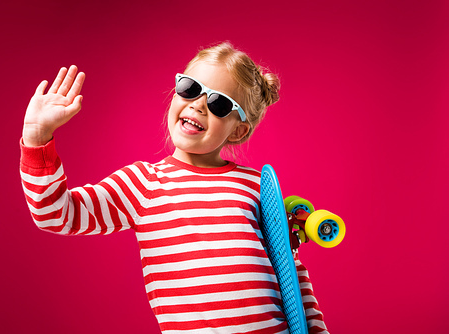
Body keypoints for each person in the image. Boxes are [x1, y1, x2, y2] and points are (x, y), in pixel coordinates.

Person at [20, 42, 329, 333]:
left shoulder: (255, 187)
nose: (198, 105)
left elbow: (290, 271)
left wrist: (316, 329)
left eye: (219, 103)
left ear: (238, 130)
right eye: (190, 88)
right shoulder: (142, 183)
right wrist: (36, 138)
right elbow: (56, 214)